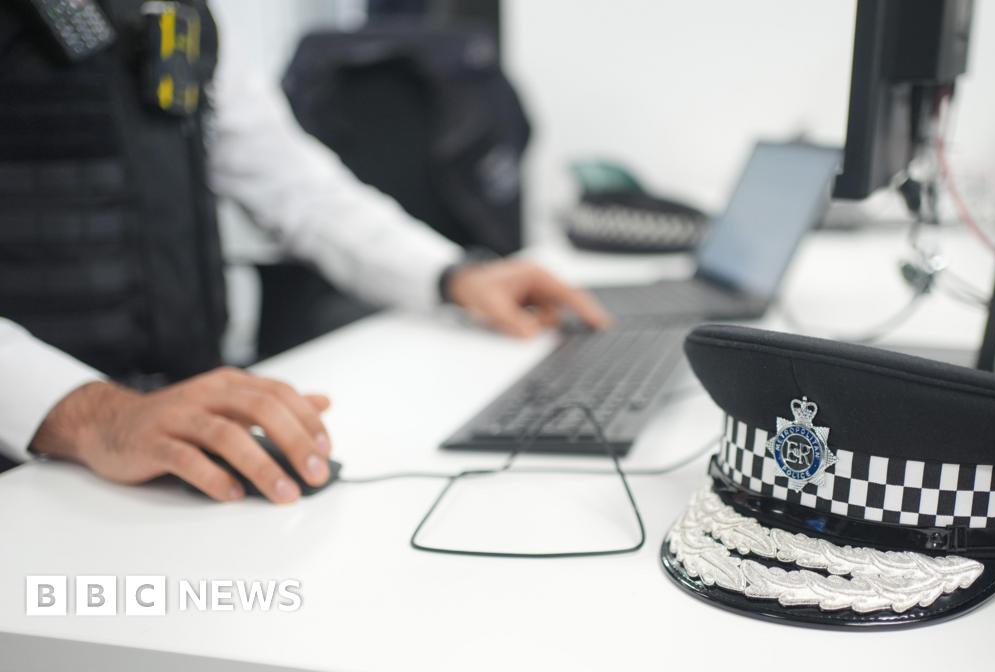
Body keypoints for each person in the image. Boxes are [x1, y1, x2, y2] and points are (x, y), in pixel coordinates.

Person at [0, 0, 610, 504]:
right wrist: (90, 414)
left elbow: (295, 185)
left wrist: (455, 275)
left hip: (175, 450)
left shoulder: (178, 16)